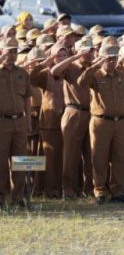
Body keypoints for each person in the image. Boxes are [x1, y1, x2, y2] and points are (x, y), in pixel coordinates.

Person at [77, 42, 124, 205]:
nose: (112, 62)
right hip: (101, 122)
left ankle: (117, 191)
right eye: (108, 59)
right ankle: (100, 191)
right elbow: (81, 82)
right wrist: (95, 65)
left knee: (119, 157)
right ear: (101, 58)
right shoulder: (95, 76)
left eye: (115, 58)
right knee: (99, 158)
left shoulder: (122, 76)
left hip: (121, 123)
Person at [50, 37, 94, 199]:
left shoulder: (95, 67)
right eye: (86, 50)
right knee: (71, 155)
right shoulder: (71, 67)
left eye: (91, 50)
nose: (89, 53)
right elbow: (54, 71)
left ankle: (89, 189)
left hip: (93, 114)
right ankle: (69, 190)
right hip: (74, 113)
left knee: (91, 154)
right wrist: (74, 57)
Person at [28, 42, 69, 198]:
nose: (62, 58)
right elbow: (31, 79)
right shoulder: (46, 73)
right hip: (50, 121)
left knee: (65, 158)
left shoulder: (70, 72)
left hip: (68, 121)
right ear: (52, 56)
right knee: (49, 158)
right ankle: (48, 190)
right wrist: (43, 64)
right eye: (58, 55)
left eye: (65, 55)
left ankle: (64, 189)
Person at [0, 38, 31, 210]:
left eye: (14, 51)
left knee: (20, 160)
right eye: (8, 51)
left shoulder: (22, 73)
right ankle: (1, 197)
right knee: (1, 162)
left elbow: (27, 98)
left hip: (19, 121)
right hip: (2, 121)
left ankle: (18, 197)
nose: (11, 55)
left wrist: (27, 121)